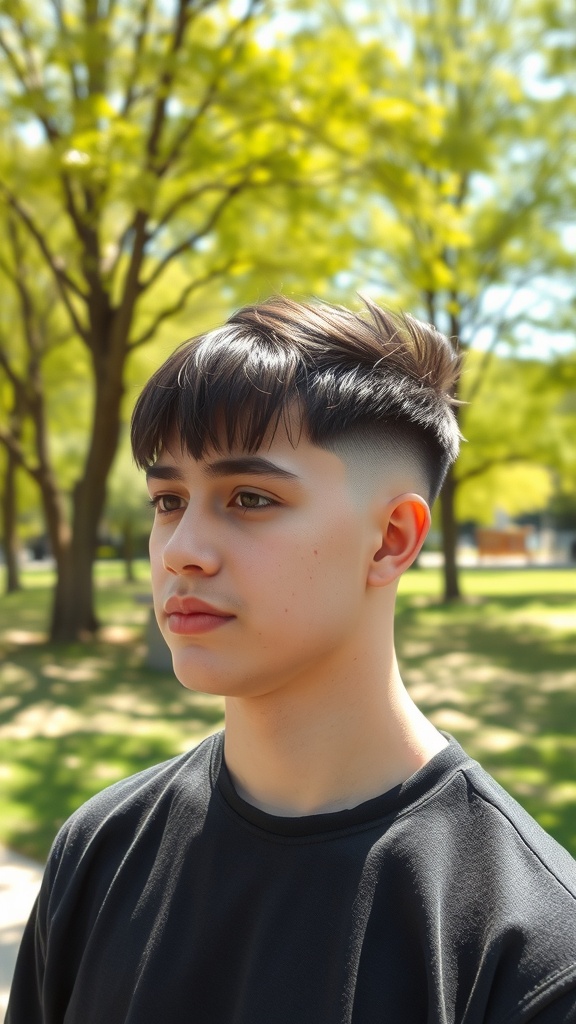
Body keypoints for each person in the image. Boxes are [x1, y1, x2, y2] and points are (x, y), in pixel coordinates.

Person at [7, 296, 576, 1024]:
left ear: (392, 539)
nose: (181, 550)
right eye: (168, 499)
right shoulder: (98, 852)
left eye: (249, 498)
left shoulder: (530, 954)